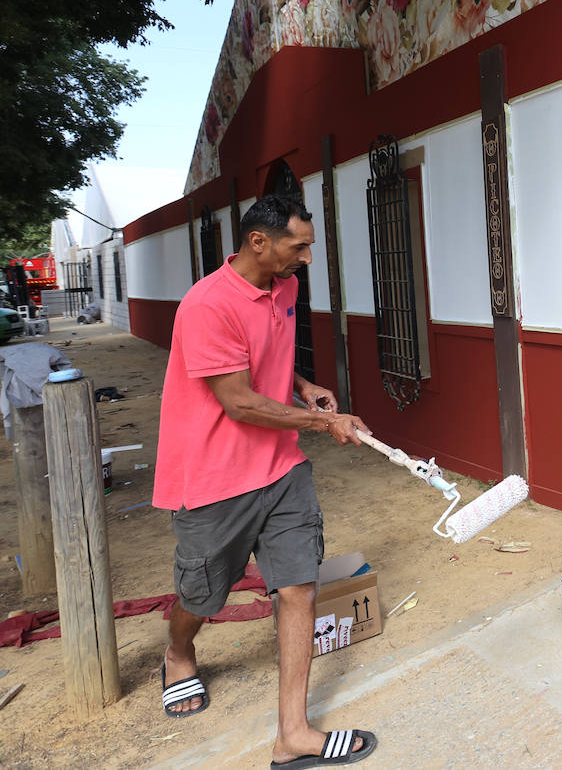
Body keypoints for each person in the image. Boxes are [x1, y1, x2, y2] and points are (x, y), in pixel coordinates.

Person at [154, 194, 378, 768]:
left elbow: (264, 356)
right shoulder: (207, 304)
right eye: (298, 246)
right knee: (204, 594)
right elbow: (239, 401)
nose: (307, 258)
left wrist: (302, 387)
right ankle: (179, 653)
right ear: (259, 242)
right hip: (213, 477)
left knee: (298, 586)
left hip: (281, 467)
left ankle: (293, 735)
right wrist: (327, 420)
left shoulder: (286, 287)